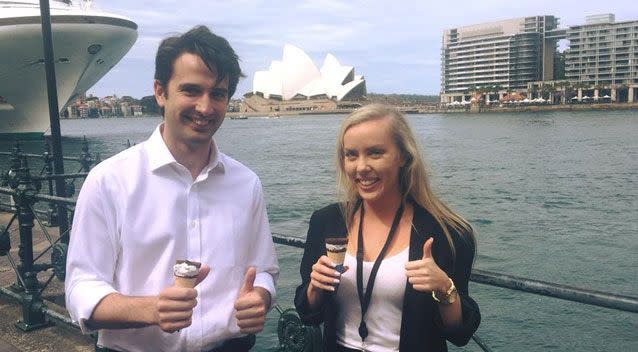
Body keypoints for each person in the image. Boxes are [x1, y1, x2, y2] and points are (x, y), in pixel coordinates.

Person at [65, 25, 279, 352]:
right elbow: (81, 289)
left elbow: (263, 270)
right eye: (191, 90)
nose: (206, 107)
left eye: (218, 94)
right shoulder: (109, 180)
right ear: (160, 92)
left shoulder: (246, 183)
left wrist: (260, 296)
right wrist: (151, 309)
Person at [294, 104, 480, 351]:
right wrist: (314, 288)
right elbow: (309, 313)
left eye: (375, 153)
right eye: (351, 155)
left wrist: (445, 289)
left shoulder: (448, 233)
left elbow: (459, 333)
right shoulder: (325, 221)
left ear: (403, 156)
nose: (361, 167)